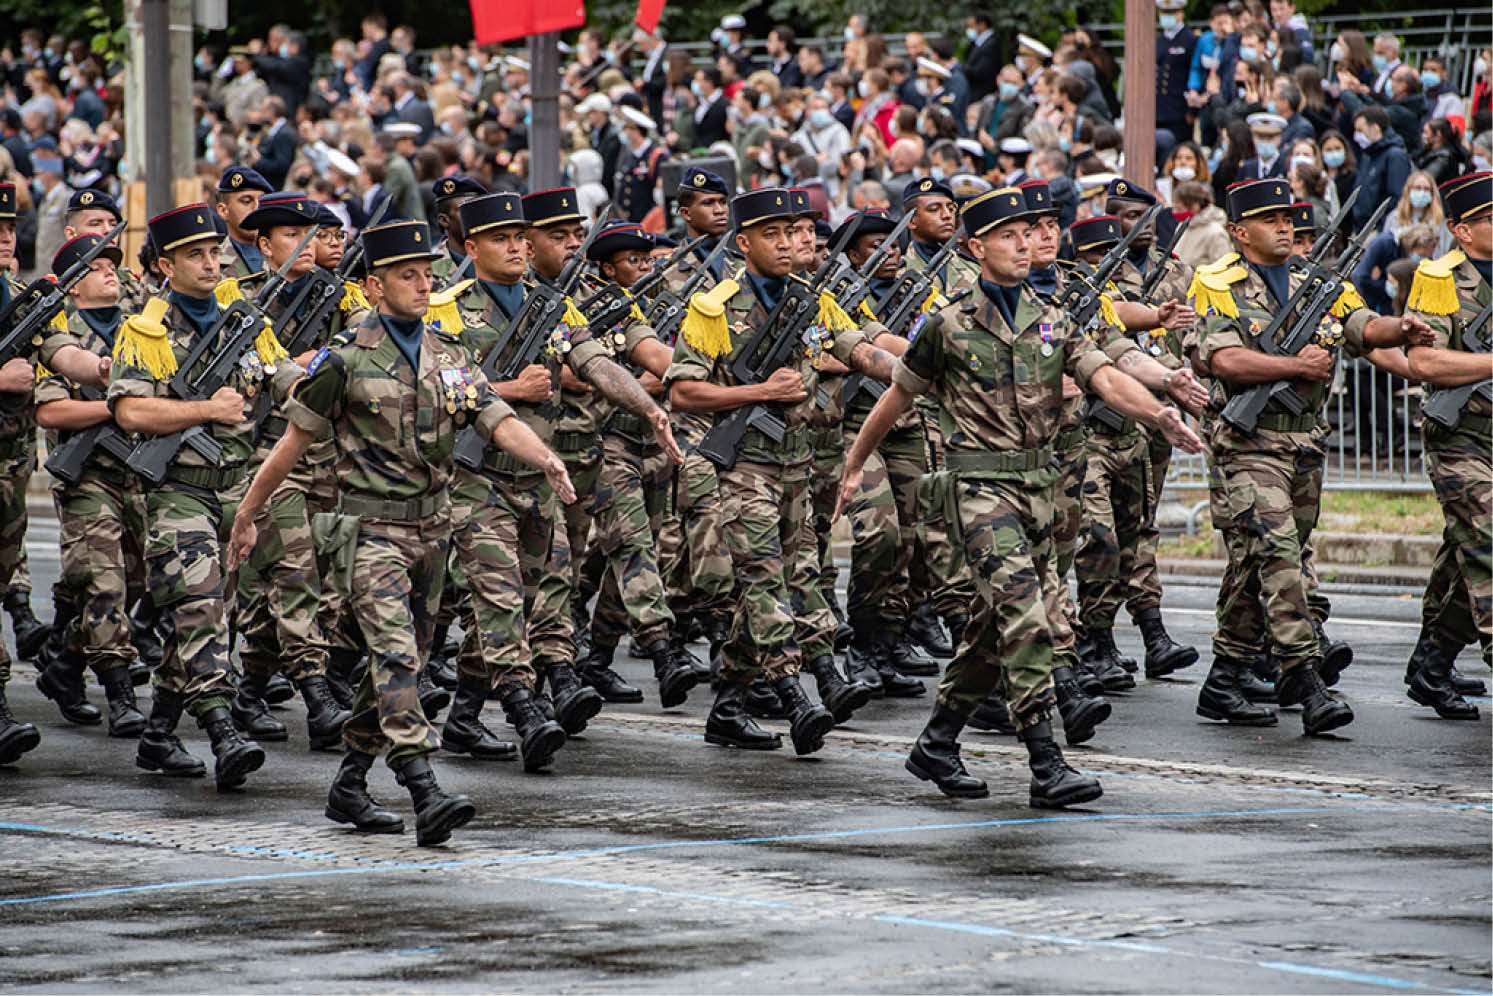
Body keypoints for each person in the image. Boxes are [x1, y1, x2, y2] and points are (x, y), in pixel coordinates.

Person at [837, 185, 1203, 805]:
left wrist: (1157, 411)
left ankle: (936, 743)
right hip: (978, 491)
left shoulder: (1052, 315)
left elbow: (1104, 375)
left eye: (1028, 234)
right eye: (1008, 235)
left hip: (1040, 489)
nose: (1024, 244)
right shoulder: (947, 324)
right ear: (976, 247)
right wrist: (853, 465)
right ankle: (1046, 764)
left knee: (990, 631)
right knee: (1029, 621)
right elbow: (898, 394)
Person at [227, 219, 566, 844]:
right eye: (408, 275)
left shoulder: (449, 355)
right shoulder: (345, 360)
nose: (423, 284)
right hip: (368, 533)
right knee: (395, 653)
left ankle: (351, 783)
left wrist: (545, 457)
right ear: (374, 286)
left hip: (433, 533)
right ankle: (423, 787)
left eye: (427, 274)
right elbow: (292, 443)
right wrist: (248, 514)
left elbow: (496, 417)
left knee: (397, 665)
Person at [1189, 178, 1433, 734]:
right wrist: (1294, 366)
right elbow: (1223, 360)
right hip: (1248, 444)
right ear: (1239, 231)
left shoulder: (1318, 284)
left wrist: (1401, 326)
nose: (1284, 227)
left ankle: (1223, 678)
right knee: (1280, 556)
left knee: (1258, 563)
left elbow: (1362, 327)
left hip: (1303, 443)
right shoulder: (1218, 285)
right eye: (1270, 219)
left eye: (1287, 218)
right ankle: (1304, 676)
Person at [664, 186, 901, 756]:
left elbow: (858, 348)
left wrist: (911, 373)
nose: (788, 243)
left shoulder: (812, 301)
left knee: (800, 575)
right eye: (771, 234)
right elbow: (683, 393)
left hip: (796, 465)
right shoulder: (713, 308)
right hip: (741, 466)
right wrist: (760, 392)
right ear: (743, 243)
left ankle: (729, 706)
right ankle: (800, 693)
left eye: (793, 232)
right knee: (765, 579)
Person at [107, 203, 296, 789]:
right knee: (200, 612)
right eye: (196, 255)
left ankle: (159, 732)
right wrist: (205, 409)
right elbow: (131, 411)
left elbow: (283, 377)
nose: (211, 263)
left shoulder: (247, 322)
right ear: (167, 265)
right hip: (177, 494)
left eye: (215, 252)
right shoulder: (145, 331)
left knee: (207, 616)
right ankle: (222, 731)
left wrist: (329, 375)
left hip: (235, 494)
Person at [1402, 172, 1493, 719]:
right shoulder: (1437, 281)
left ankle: (1432, 665)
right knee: (1489, 541)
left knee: (1465, 554)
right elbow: (1424, 361)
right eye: (1490, 218)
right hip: (1460, 438)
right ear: (1461, 230)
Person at [1350, 105, 1412, 231]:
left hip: (1379, 230)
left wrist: (1378, 228)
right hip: (1361, 229)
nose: (1357, 136)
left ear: (1375, 128)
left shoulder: (1395, 156)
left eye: (1360, 130)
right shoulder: (1368, 155)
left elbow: (1397, 197)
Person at [215, 164, 272, 277]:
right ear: (223, 211)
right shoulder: (213, 263)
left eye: (262, 201)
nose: (256, 208)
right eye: (246, 201)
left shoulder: (281, 256)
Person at [428, 175, 485, 287]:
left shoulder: (498, 257)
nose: (475, 216)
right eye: (465, 210)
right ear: (444, 220)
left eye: (477, 209)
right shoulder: (430, 271)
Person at [1156, 0, 1197, 149]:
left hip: (1179, 109)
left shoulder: (1190, 39)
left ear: (1181, 14)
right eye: (1164, 13)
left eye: (1171, 13)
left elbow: (1195, 73)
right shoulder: (1158, 40)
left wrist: (1192, 110)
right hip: (1159, 108)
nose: (1166, 17)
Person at [1173, 181, 1232, 267]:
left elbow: (1225, 268)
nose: (1174, 212)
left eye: (1179, 208)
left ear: (1195, 205)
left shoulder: (1216, 233)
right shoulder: (1182, 227)